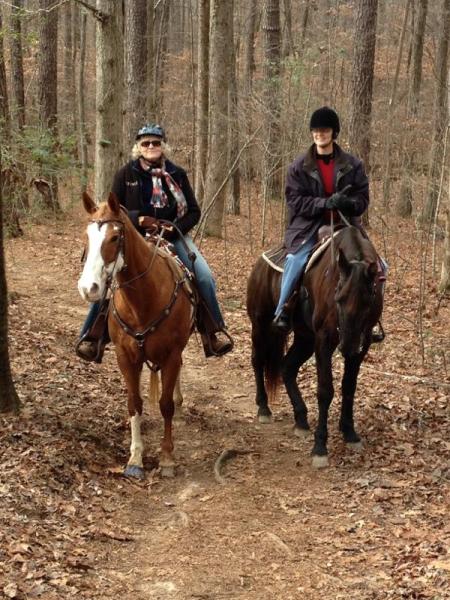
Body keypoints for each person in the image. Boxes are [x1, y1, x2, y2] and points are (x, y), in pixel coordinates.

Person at [77, 123, 232, 361]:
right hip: (134, 237)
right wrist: (137, 218)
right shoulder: (126, 174)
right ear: (138, 147)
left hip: (173, 236)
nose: (151, 147)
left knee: (203, 275)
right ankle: (92, 335)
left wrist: (175, 228)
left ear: (163, 146)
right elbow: (112, 211)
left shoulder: (177, 174)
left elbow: (193, 211)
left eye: (156, 143)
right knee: (108, 277)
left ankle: (213, 332)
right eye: (146, 143)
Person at [273, 106, 385, 338]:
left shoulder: (353, 165)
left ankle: (374, 319)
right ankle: (283, 308)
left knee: (381, 266)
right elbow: (294, 201)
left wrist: (347, 203)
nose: (319, 134)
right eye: (315, 130)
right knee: (295, 260)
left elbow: (362, 199)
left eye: (324, 130)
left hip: (346, 225)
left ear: (334, 133)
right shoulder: (298, 166)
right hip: (308, 227)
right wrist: (324, 204)